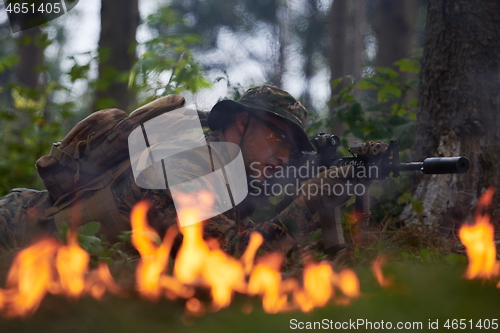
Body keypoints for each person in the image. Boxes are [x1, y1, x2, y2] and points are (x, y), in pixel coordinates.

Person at [0, 85, 353, 255]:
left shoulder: (224, 168)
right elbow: (234, 257)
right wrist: (309, 201)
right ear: (242, 122)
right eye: (277, 137)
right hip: (14, 233)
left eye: (291, 147)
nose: (283, 154)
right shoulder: (190, 162)